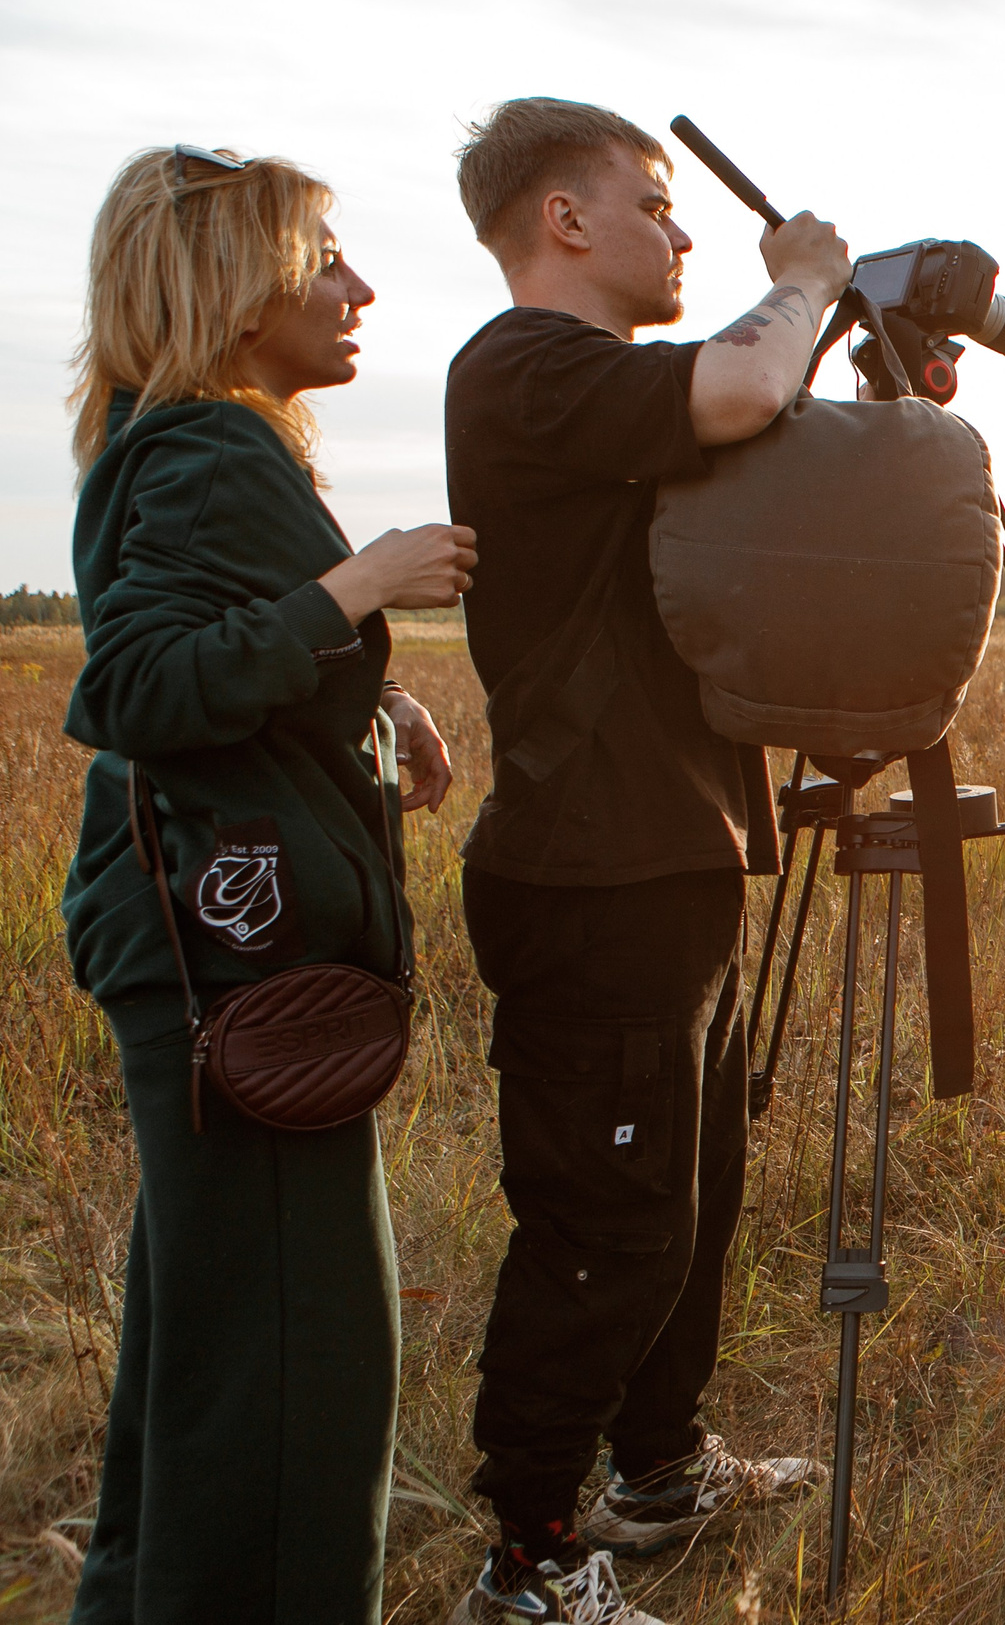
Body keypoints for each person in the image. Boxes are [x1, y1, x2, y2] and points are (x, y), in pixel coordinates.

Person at [442, 98, 849, 1622]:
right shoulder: (529, 369)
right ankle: (531, 1559)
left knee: (692, 1192)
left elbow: (760, 434)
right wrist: (803, 274)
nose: (685, 235)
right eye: (660, 205)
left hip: (669, 854)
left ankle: (658, 1469)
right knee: (608, 1223)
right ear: (565, 220)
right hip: (592, 868)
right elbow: (746, 380)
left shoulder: (601, 394)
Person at [59, 145, 476, 1622]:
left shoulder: (177, 435)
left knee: (210, 1347)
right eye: (323, 264)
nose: (359, 287)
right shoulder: (201, 450)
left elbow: (218, 664)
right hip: (234, 972)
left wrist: (373, 706)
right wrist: (357, 589)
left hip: (200, 953)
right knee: (298, 1375)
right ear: (235, 293)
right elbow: (142, 685)